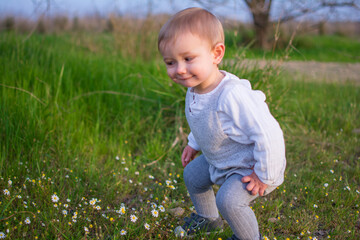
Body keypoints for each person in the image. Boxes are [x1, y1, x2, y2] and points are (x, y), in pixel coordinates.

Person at [158, 7, 286, 240]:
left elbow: (269, 133)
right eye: (170, 62)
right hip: (221, 158)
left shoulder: (231, 95)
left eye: (188, 59)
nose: (180, 70)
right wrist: (193, 143)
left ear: (216, 54)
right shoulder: (194, 88)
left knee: (228, 201)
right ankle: (208, 219)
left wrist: (264, 174)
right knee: (193, 177)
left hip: (249, 166)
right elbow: (203, 119)